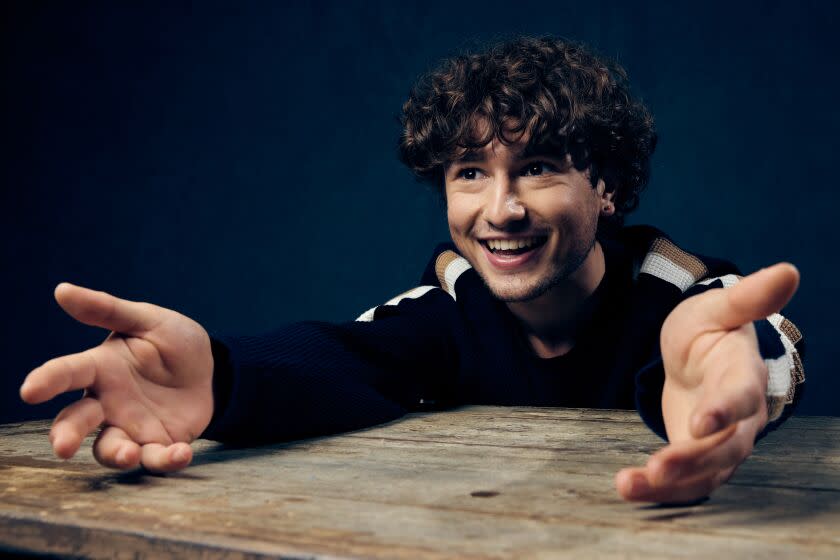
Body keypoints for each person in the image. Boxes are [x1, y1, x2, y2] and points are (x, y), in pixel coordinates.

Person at [19, 36, 805, 504]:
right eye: (469, 173)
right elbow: (343, 360)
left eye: (537, 168)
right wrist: (221, 380)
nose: (500, 210)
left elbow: (751, 342)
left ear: (604, 188)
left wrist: (737, 385)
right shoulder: (447, 310)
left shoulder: (677, 292)